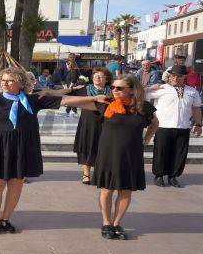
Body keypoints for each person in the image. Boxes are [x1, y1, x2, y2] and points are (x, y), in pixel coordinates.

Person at [0, 67, 66, 234]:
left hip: (21, 147)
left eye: (9, 80)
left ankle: (6, 219)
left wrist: (95, 98)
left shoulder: (32, 100)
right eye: (3, 80)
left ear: (20, 83)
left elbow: (66, 100)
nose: (5, 83)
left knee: (16, 186)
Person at [62, 75, 159, 240]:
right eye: (113, 87)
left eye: (119, 88)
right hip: (108, 153)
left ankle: (117, 223)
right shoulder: (105, 103)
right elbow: (67, 101)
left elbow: (155, 123)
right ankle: (106, 222)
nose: (114, 90)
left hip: (132, 154)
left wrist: (147, 138)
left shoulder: (144, 107)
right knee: (106, 190)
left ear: (131, 90)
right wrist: (93, 96)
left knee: (126, 190)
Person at [146, 65, 202, 188]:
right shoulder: (162, 88)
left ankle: (173, 176)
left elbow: (196, 109)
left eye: (179, 76)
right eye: (173, 76)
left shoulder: (192, 91)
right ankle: (159, 176)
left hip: (183, 127)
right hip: (163, 126)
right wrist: (150, 88)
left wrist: (198, 125)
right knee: (161, 152)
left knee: (179, 153)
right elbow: (141, 96)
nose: (175, 78)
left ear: (185, 76)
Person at [72, 67, 112, 185]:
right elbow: (70, 97)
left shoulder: (111, 92)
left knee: (103, 147)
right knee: (88, 146)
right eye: (95, 76)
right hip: (88, 121)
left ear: (107, 79)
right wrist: (74, 87)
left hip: (106, 122)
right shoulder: (85, 89)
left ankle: (100, 173)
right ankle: (86, 174)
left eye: (100, 77)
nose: (97, 78)